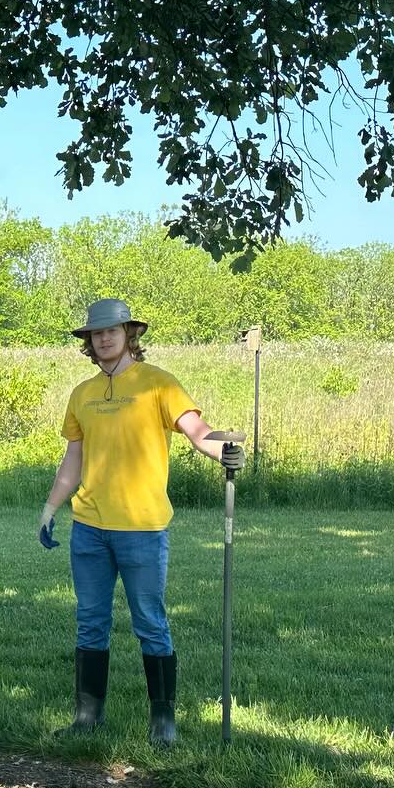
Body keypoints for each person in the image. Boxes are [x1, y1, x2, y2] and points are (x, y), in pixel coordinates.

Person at [37, 299, 244, 747]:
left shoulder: (159, 385)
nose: (104, 338)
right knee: (90, 621)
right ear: (89, 342)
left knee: (150, 621)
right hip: (89, 527)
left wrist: (224, 451)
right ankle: (88, 716)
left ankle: (163, 721)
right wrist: (52, 507)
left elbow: (198, 432)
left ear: (130, 335)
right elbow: (73, 460)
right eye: (97, 333)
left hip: (143, 529)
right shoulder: (82, 394)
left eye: (113, 330)